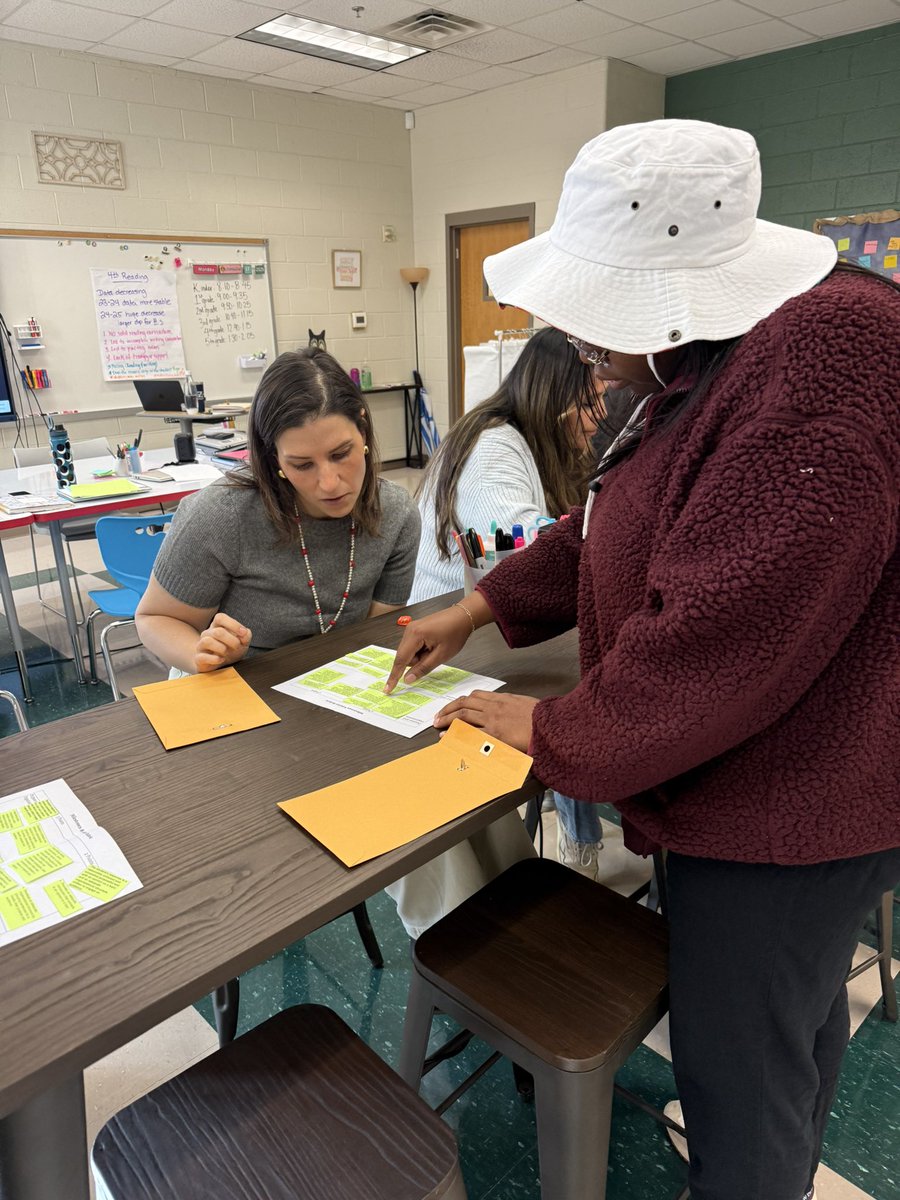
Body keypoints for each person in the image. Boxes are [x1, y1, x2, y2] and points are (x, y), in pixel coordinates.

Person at [386, 120, 900, 1200]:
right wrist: (479, 604)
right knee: (787, 1028)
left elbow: (729, 630)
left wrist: (561, 729)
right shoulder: (713, 361)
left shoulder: (826, 363)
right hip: (764, 779)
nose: (577, 347)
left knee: (743, 1064)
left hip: (789, 806)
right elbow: (619, 523)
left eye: (587, 317)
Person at [409, 325, 609, 881]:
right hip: (460, 635)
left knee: (578, 689)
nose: (597, 418)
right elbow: (520, 544)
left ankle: (577, 830)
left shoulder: (529, 441)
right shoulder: (495, 443)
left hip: (488, 619)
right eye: (591, 400)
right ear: (559, 395)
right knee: (567, 701)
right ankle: (578, 840)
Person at [136, 348, 420, 673]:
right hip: (233, 684)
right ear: (274, 459)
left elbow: (377, 633)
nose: (329, 483)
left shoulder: (396, 513)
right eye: (302, 464)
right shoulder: (222, 516)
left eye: (341, 454)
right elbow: (155, 618)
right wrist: (198, 654)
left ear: (364, 431)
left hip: (334, 686)